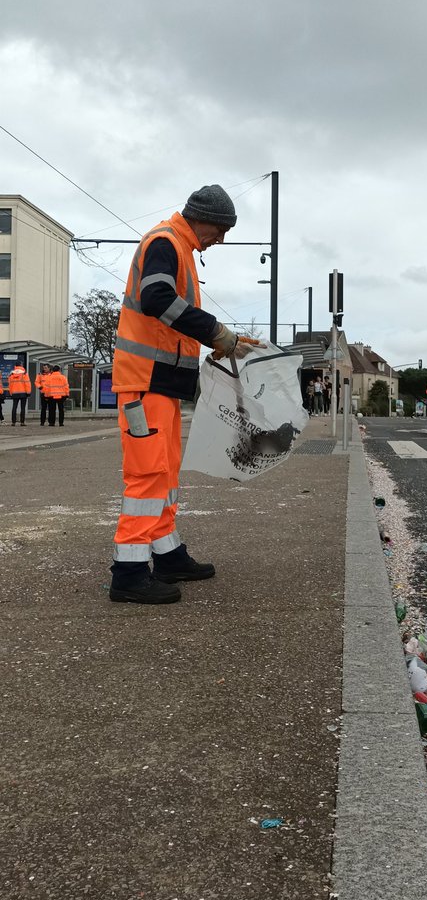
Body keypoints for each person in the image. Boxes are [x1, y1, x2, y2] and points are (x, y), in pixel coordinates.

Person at [110, 184, 257, 606]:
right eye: (221, 229)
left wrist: (228, 340)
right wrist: (216, 334)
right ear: (203, 217)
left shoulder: (180, 249)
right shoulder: (165, 242)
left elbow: (167, 314)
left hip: (161, 384)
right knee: (148, 476)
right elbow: (156, 298)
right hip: (145, 381)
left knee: (166, 474)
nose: (221, 238)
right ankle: (129, 573)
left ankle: (167, 553)